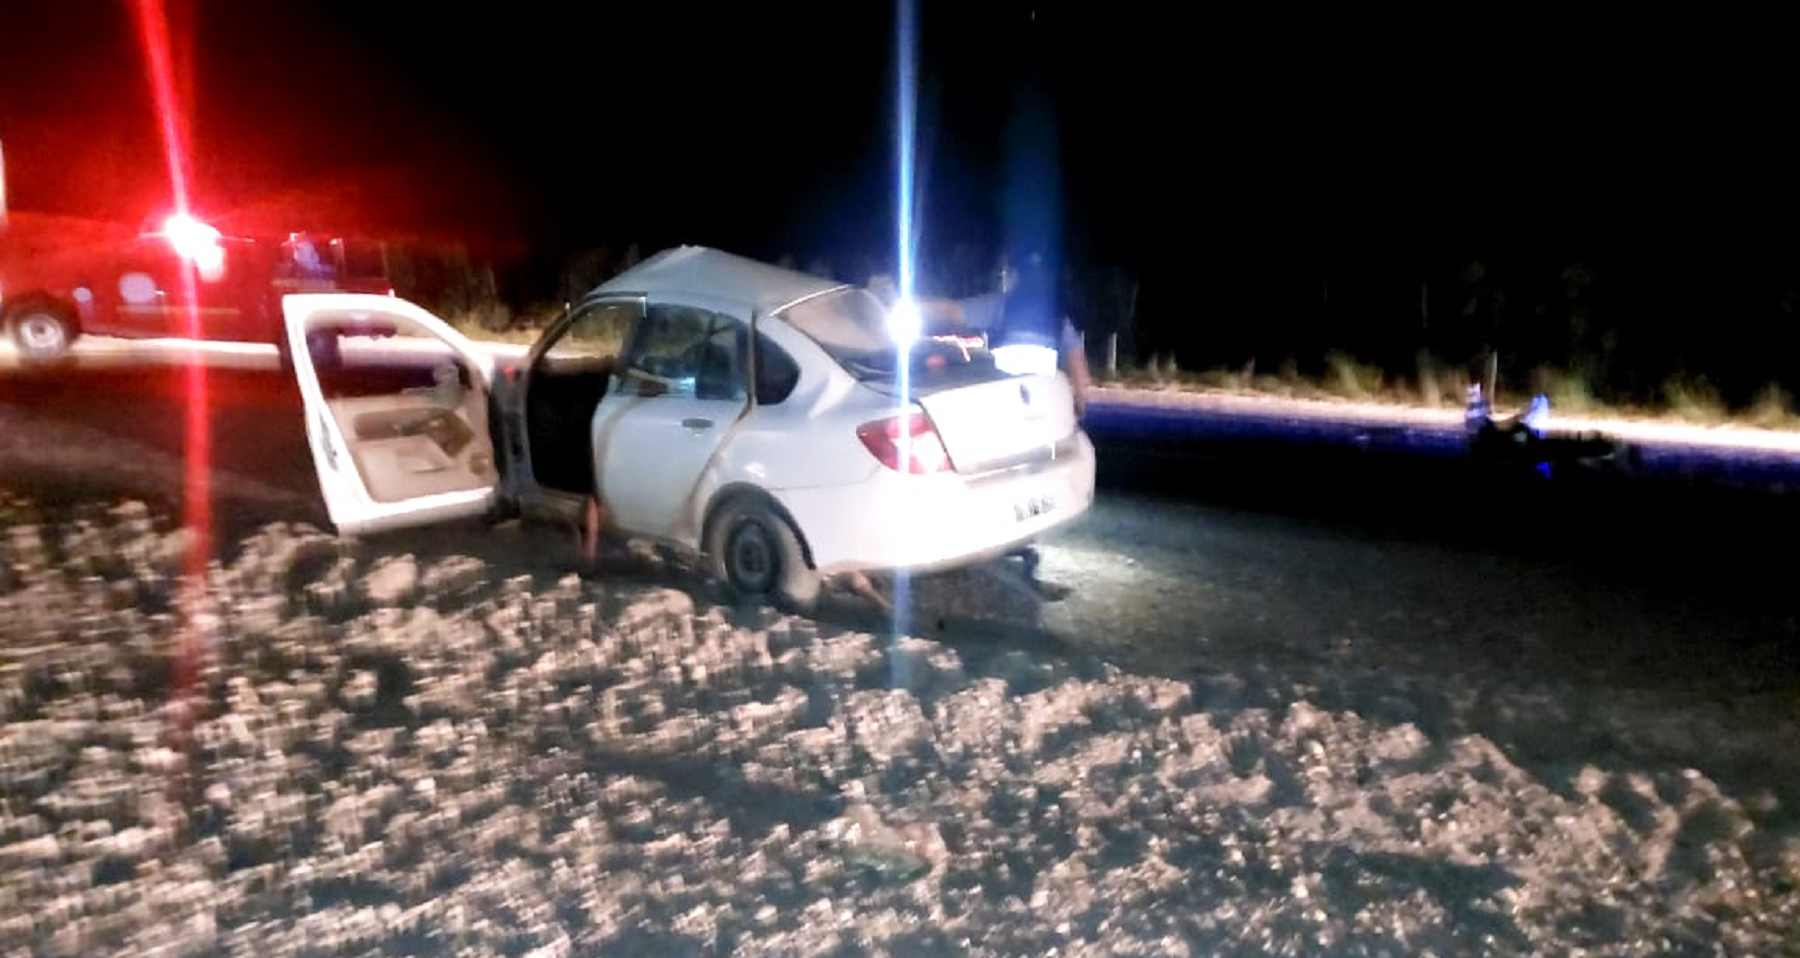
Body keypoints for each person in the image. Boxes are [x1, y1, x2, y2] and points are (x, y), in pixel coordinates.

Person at [919, 251, 1094, 419]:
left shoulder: (1002, 307)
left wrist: (913, 305)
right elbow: (1078, 364)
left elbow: (952, 310)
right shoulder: (1056, 318)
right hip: (1041, 404)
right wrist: (1080, 402)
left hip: (1008, 401)